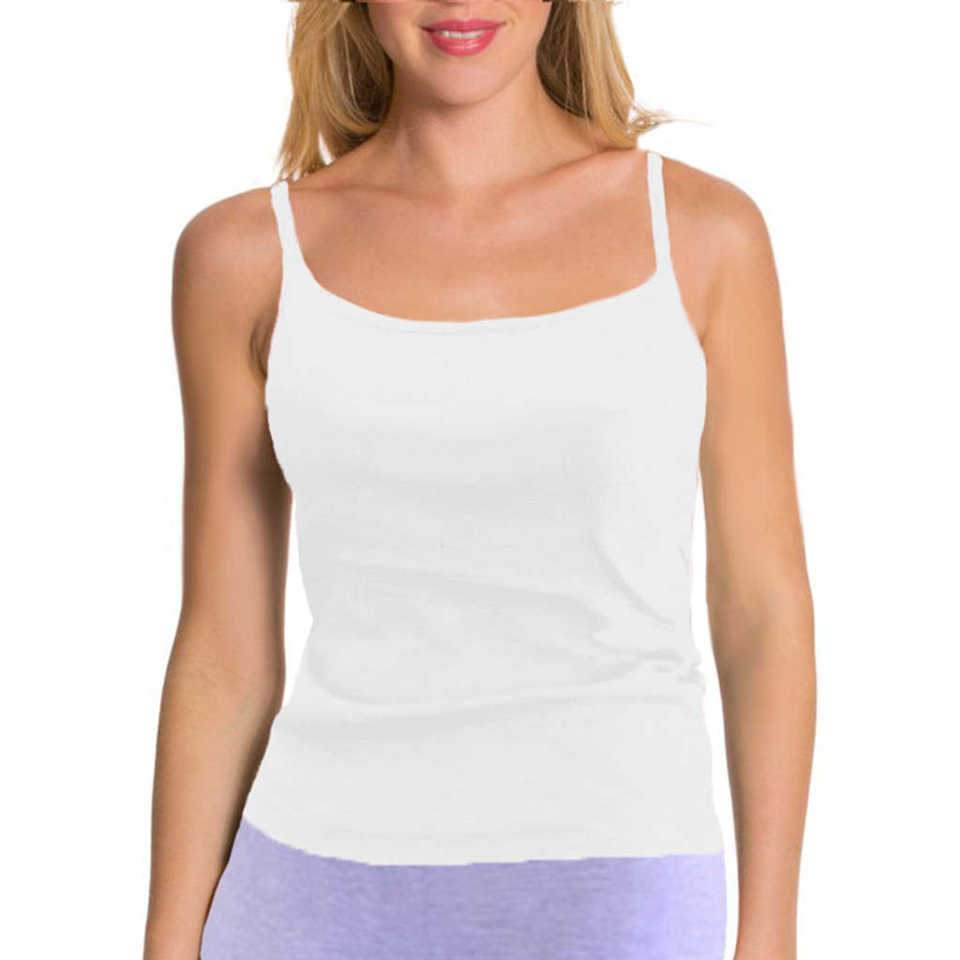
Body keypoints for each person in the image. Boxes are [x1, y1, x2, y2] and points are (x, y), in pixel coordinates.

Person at [144, 2, 816, 959]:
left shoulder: (705, 236)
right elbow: (224, 649)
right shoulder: (242, 256)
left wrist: (771, 933)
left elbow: (763, 609)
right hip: (306, 885)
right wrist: (169, 941)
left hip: (614, 881)